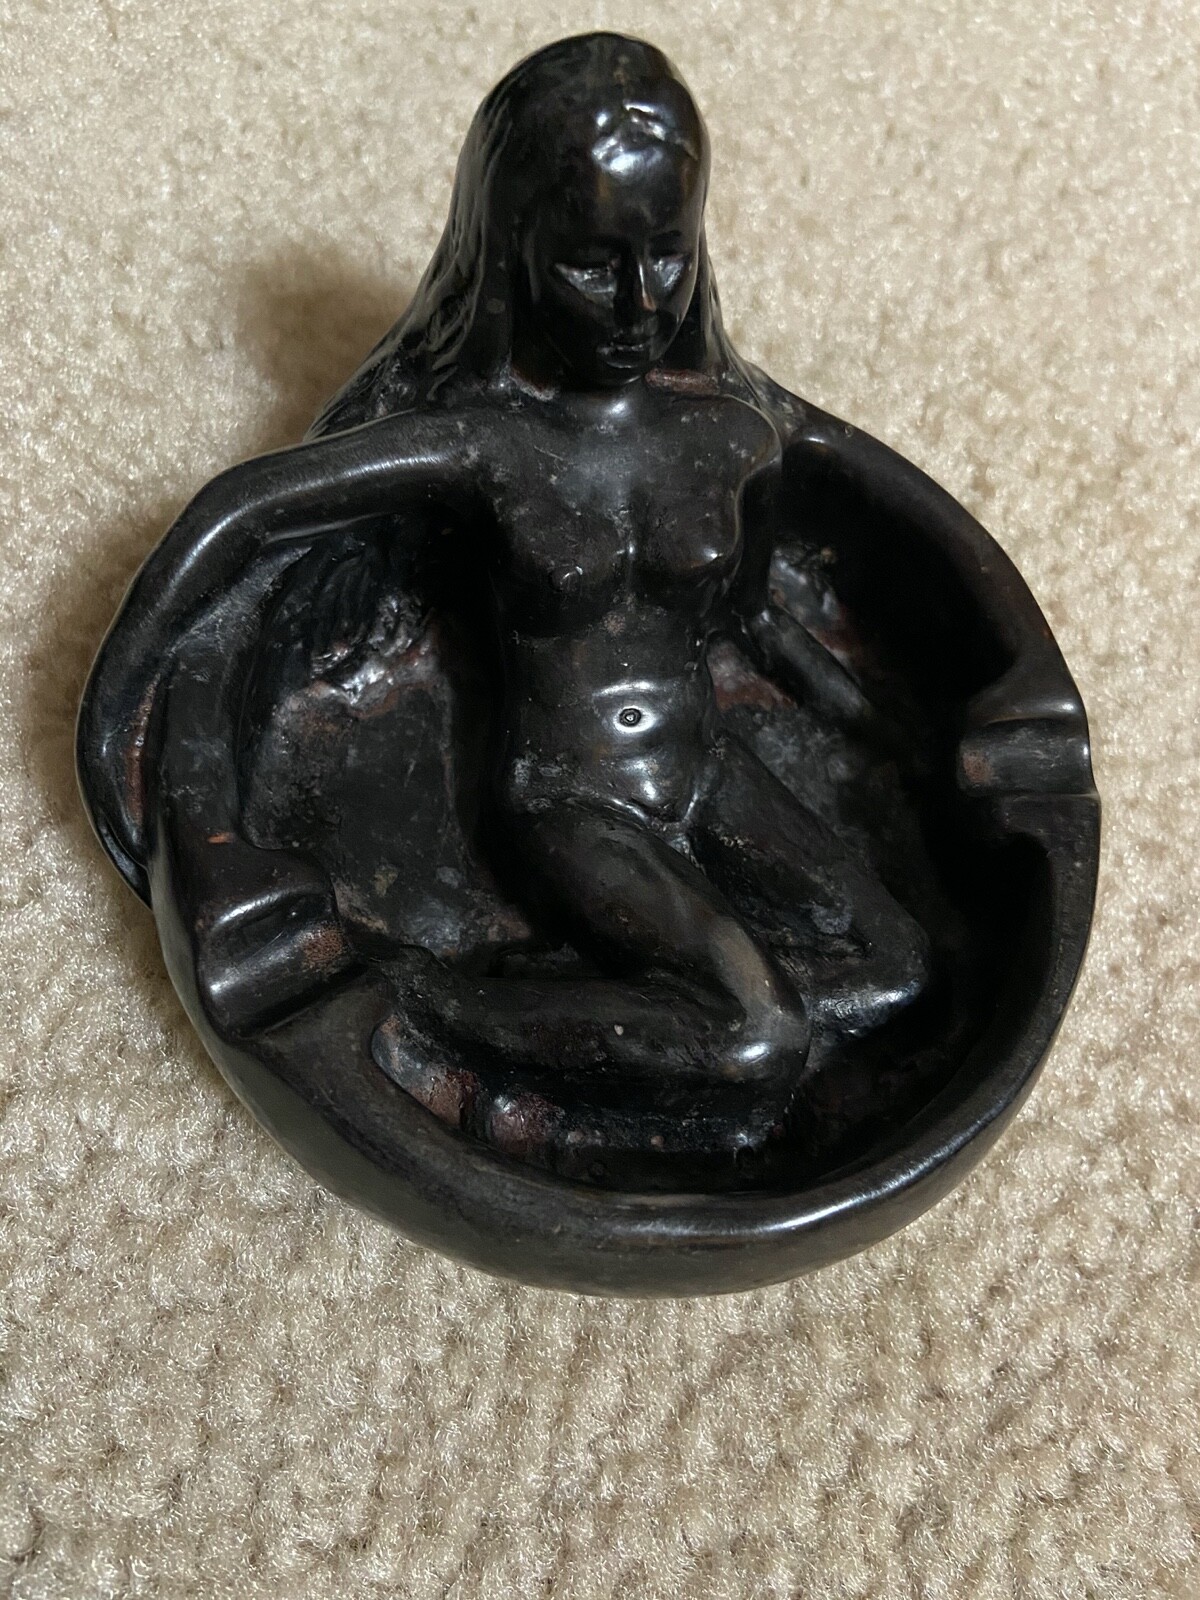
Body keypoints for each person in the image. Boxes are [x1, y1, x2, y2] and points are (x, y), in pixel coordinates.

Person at [79, 33, 928, 1096]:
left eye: (667, 256)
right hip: (572, 802)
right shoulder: (490, 445)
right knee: (759, 1038)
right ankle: (422, 996)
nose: (639, 305)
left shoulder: (732, 433)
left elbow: (757, 624)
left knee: (898, 971)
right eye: (591, 265)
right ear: (516, 254)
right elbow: (244, 513)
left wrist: (899, 730)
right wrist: (115, 718)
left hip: (705, 767)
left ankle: (639, 1016)